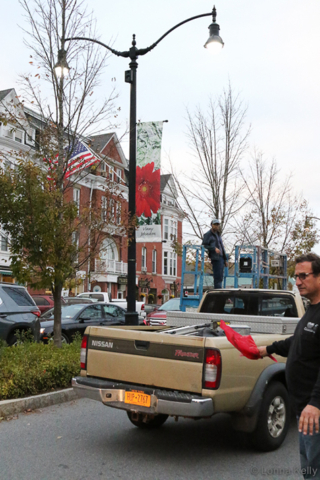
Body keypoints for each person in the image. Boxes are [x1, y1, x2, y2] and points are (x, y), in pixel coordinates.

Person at [259, 253, 320, 479]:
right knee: (309, 468)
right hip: (303, 408)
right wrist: (268, 349)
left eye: (304, 276)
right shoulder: (311, 310)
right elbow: (297, 343)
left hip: (314, 410)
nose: (298, 282)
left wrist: (316, 403)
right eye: (296, 276)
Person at [202, 219, 228, 289]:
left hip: (221, 257)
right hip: (215, 258)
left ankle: (219, 290)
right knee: (217, 276)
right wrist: (214, 248)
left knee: (220, 276)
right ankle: (218, 292)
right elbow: (204, 245)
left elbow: (222, 247)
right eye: (215, 224)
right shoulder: (208, 234)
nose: (217, 226)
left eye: (218, 225)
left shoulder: (218, 234)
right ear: (212, 225)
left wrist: (225, 259)